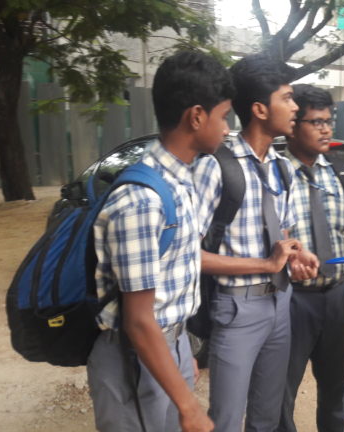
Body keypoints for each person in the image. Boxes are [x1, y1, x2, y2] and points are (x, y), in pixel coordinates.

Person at [87, 50, 233, 432]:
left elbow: (174, 276)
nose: (227, 129)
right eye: (223, 116)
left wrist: (182, 354)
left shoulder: (180, 182)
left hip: (170, 345)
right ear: (196, 116)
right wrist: (189, 406)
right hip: (135, 355)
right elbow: (138, 321)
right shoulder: (141, 200)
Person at [194, 54, 319, 432]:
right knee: (227, 419)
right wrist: (265, 265)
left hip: (280, 303)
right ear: (260, 109)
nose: (296, 108)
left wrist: (298, 253)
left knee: (267, 416)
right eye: (287, 98)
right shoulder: (216, 165)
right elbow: (188, 254)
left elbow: (284, 235)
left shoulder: (282, 167)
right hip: (237, 308)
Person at [276, 84, 344, 432]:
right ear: (292, 126)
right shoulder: (274, 175)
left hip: (336, 296)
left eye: (329, 122)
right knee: (281, 390)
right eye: (316, 122)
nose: (326, 129)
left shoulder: (340, 172)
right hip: (291, 300)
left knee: (335, 386)